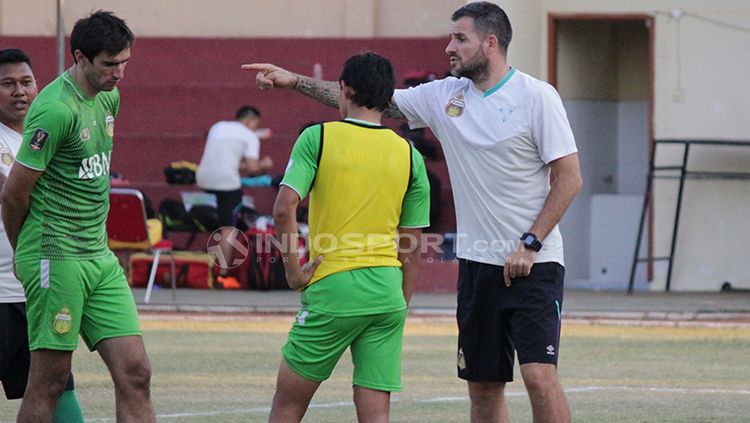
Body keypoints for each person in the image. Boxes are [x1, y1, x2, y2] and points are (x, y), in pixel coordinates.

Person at [244, 2, 582, 422]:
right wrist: (292, 81)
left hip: (534, 263)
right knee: (482, 388)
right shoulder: (445, 95)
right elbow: (367, 101)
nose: (448, 47)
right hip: (478, 265)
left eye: (460, 38)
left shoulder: (536, 96)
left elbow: (568, 177)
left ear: (490, 42)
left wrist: (530, 243)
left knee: (538, 377)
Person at [0, 12, 156, 423]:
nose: (119, 72)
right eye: (109, 64)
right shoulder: (53, 110)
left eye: (124, 62)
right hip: (55, 253)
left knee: (136, 372)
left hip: (98, 256)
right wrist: (24, 253)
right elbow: (14, 195)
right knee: (49, 381)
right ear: (80, 58)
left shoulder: (109, 96)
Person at [268, 52, 430, 423]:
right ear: (388, 97)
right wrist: (401, 303)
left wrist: (294, 272)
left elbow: (284, 207)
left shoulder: (318, 137)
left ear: (343, 88)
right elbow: (412, 243)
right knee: (375, 414)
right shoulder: (409, 153)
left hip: (334, 286)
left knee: (288, 404)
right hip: (386, 292)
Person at [0, 48, 84, 423]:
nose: (19, 91)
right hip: (1, 292)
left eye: (26, 82)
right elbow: (18, 193)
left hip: (38, 289)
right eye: (7, 84)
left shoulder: (43, 133)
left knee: (55, 388)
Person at [196, 105, 273, 284]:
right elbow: (253, 169)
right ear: (249, 121)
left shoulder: (218, 126)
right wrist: (265, 164)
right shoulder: (250, 135)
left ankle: (211, 264)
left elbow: (227, 161)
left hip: (203, 177)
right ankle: (222, 272)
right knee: (228, 227)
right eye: (255, 124)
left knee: (221, 218)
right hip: (226, 183)